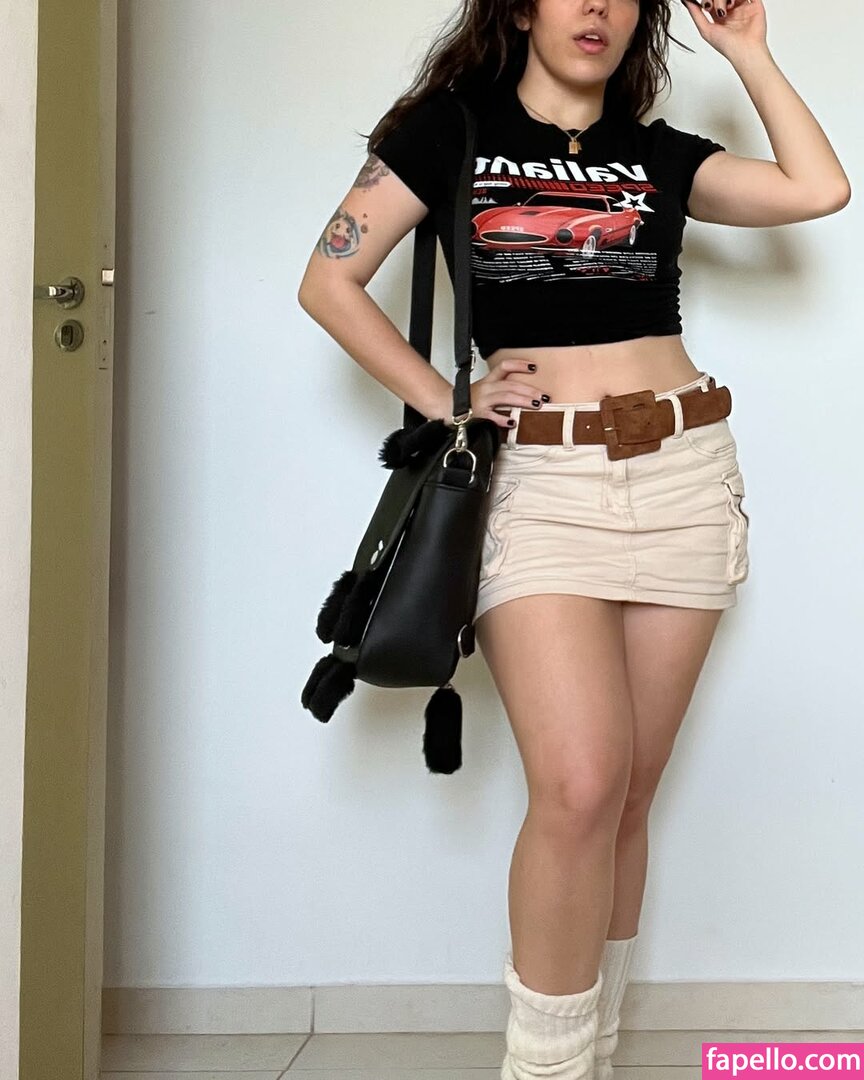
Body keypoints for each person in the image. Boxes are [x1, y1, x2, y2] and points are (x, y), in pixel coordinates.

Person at [297, 0, 851, 1075]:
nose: (595, 6)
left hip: (686, 472)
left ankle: (595, 1055)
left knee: (627, 797)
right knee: (581, 786)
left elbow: (818, 188)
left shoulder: (662, 154)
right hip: (541, 484)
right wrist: (449, 400)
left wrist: (747, 52)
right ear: (520, 6)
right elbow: (329, 279)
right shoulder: (448, 130)